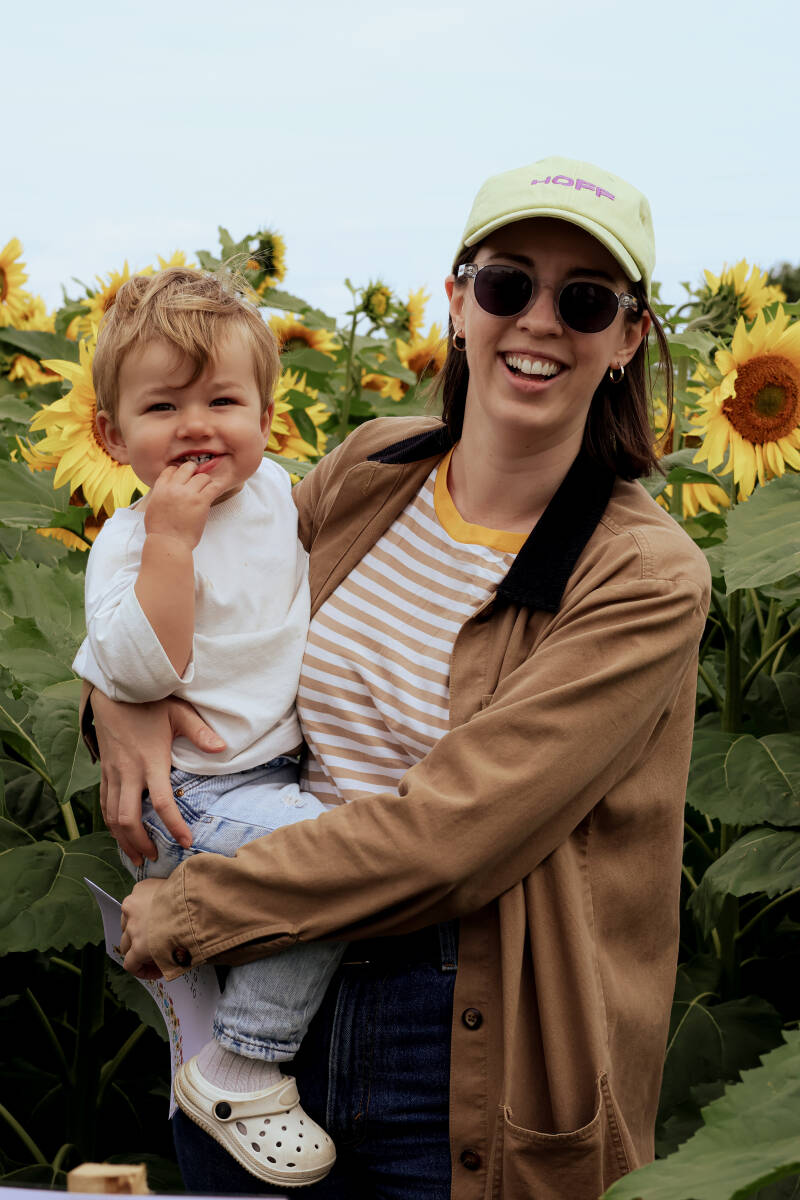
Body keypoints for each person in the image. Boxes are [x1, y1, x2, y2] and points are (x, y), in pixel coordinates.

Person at [88, 155, 711, 1200]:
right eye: (507, 283)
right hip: (257, 986)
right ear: (458, 302)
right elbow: (206, 601)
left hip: (455, 1031)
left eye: (585, 299)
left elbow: (454, 836)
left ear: (627, 337)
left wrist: (193, 911)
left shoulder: (641, 575)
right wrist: (114, 701)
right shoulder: (373, 470)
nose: (539, 320)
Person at [74, 267, 338, 1188]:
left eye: (223, 401)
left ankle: (215, 1023)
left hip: (266, 778)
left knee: (322, 862)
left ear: (267, 416)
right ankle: (243, 1061)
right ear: (113, 436)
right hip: (189, 797)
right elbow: (141, 669)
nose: (196, 426)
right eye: (163, 407)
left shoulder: (281, 499)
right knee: (327, 858)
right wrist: (171, 544)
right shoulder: (129, 542)